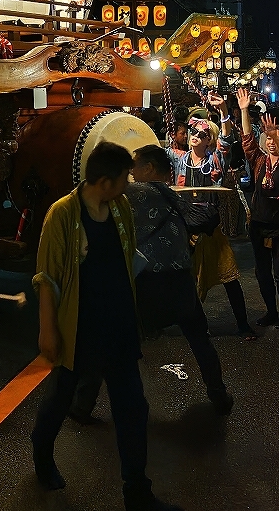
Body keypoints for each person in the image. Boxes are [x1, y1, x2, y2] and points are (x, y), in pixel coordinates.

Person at [31, 141, 183, 511]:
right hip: (79, 329)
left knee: (133, 409)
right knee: (59, 400)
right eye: (124, 178)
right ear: (104, 181)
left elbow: (127, 259)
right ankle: (42, 453)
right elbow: (46, 278)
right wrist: (48, 330)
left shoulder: (119, 208)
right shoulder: (62, 214)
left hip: (119, 328)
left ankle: (138, 498)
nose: (129, 183)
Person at [71, 144, 234, 422]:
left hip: (145, 283)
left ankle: (83, 405)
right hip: (180, 281)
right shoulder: (171, 195)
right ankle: (219, 395)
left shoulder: (132, 193)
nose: (130, 173)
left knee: (109, 339)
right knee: (200, 341)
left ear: (148, 168)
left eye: (134, 166)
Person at [168, 93, 253, 336]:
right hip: (187, 230)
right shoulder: (177, 158)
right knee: (187, 281)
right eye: (192, 132)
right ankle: (198, 325)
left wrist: (224, 110)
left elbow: (227, 140)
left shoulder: (215, 160)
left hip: (211, 230)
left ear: (209, 140)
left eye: (200, 134)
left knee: (230, 279)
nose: (194, 135)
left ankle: (243, 324)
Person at [239, 91, 279, 329]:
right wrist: (244, 110)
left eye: (277, 138)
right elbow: (247, 140)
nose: (272, 142)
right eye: (269, 138)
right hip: (258, 222)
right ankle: (271, 311)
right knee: (262, 272)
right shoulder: (259, 160)